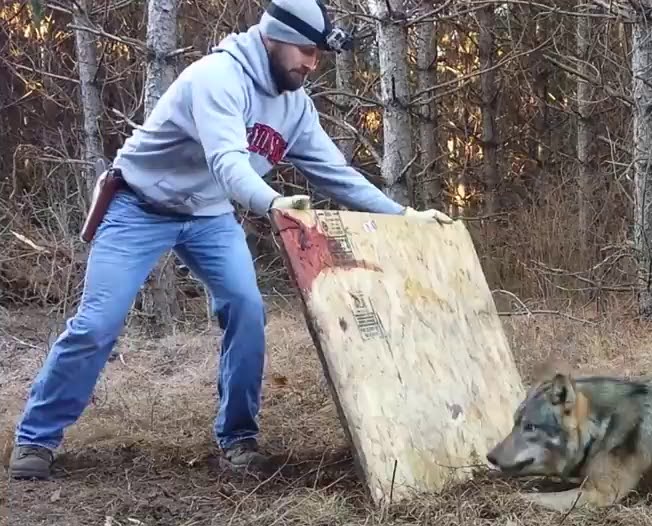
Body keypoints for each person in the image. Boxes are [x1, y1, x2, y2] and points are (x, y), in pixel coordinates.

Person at [7, 0, 452, 480]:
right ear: (274, 37)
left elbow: (337, 175)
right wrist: (273, 203)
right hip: (139, 206)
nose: (310, 63)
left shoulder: (295, 107)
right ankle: (36, 438)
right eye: (305, 50)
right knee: (98, 323)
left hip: (208, 215)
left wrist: (406, 215)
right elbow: (228, 162)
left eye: (317, 55)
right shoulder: (217, 77)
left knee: (247, 309)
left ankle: (238, 438)